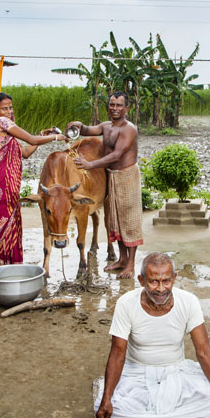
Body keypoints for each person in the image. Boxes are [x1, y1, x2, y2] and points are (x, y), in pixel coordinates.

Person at [94, 252, 210, 418]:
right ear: (141, 280)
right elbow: (117, 354)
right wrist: (107, 399)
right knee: (115, 407)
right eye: (153, 281)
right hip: (136, 372)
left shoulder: (189, 301)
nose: (161, 289)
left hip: (176, 370)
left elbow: (203, 351)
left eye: (166, 281)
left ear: (174, 278)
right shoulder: (126, 303)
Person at [0, 92, 65, 287]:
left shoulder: (6, 134)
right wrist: (56, 137)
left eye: (10, 107)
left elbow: (25, 152)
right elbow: (32, 140)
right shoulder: (1, 123)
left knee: (6, 227)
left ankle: (2, 274)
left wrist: (41, 137)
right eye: (4, 108)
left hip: (3, 185)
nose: (8, 112)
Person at [66, 92, 142, 279]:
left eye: (119, 105)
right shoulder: (106, 126)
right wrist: (78, 126)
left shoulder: (128, 129)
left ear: (127, 108)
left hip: (127, 176)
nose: (115, 108)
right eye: (112, 104)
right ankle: (122, 259)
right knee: (114, 219)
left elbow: (117, 155)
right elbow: (87, 130)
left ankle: (130, 265)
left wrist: (90, 164)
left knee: (129, 221)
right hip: (111, 176)